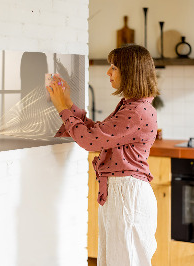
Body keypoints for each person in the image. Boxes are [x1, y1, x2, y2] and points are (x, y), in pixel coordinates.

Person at [47, 44, 159, 266]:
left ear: (130, 72)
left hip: (127, 195)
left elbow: (90, 141)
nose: (108, 72)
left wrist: (62, 108)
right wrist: (69, 104)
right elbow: (98, 133)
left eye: (114, 67)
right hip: (122, 193)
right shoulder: (132, 106)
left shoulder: (136, 111)